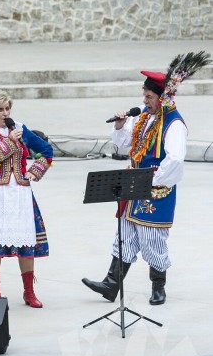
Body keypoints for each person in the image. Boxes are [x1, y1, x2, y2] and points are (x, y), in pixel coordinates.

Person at [82, 52, 209, 305]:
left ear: (163, 98)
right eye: (145, 96)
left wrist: (149, 179)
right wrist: (120, 125)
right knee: (126, 234)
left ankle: (158, 287)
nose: (144, 100)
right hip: (134, 185)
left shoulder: (174, 124)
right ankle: (111, 284)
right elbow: (127, 142)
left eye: (149, 97)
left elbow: (174, 160)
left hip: (155, 189)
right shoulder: (145, 117)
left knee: (152, 239)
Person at [0, 90, 53, 308]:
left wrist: (36, 170)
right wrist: (8, 141)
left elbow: (46, 150)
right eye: (0, 109)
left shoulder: (20, 128)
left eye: (7, 108)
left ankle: (29, 292)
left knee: (24, 239)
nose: (5, 113)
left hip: (19, 191)